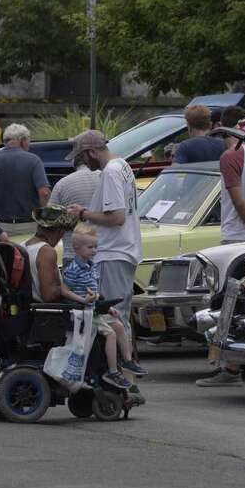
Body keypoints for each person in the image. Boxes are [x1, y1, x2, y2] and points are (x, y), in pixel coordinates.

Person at [25, 205, 145, 403]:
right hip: (55, 314)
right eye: (62, 231)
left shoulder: (26, 246)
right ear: (57, 230)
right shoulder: (46, 252)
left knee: (114, 324)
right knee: (111, 329)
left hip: (45, 311)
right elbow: (49, 294)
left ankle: (123, 366)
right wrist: (72, 291)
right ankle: (111, 373)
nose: (62, 236)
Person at [196, 126, 245, 388]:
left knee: (229, 303)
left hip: (237, 238)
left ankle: (230, 368)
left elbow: (238, 201)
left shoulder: (230, 156)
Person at [67, 129, 143, 371]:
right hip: (124, 250)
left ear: (91, 152)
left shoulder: (110, 172)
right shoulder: (122, 164)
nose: (82, 162)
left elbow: (116, 217)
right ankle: (125, 373)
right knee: (119, 315)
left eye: (82, 156)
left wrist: (83, 213)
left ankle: (118, 373)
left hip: (113, 252)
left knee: (112, 316)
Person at [62, 222, 145, 389]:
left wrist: (107, 307)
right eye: (90, 247)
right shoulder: (73, 269)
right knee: (111, 334)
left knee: (119, 326)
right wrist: (82, 300)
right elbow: (64, 290)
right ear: (77, 248)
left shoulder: (91, 266)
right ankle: (112, 371)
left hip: (94, 310)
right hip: (83, 313)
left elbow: (95, 292)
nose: (94, 250)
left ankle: (128, 361)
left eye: (95, 247)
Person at [0, 123, 51, 222]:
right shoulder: (33, 160)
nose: (28, 145)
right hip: (29, 224)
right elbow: (44, 193)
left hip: (3, 224)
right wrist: (44, 217)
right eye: (28, 141)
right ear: (22, 141)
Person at [51, 148, 102, 265]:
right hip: (103, 253)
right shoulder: (105, 178)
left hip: (73, 253)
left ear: (74, 162)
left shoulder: (62, 184)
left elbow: (50, 220)